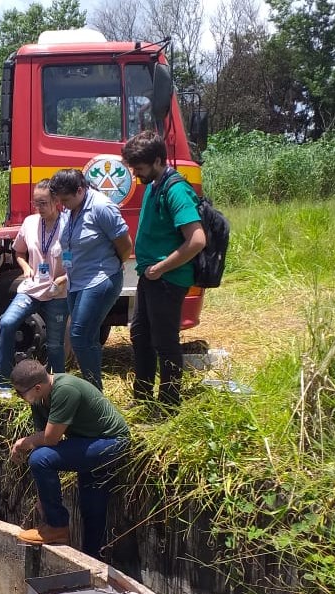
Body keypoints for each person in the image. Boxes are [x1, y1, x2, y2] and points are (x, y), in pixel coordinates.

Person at [9, 359, 130, 559]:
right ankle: (92, 557)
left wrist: (22, 443)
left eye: (20, 393)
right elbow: (43, 437)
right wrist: (44, 500)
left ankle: (57, 527)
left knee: (40, 459)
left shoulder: (65, 390)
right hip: (86, 443)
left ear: (37, 387)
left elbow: (50, 439)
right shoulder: (39, 400)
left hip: (110, 442)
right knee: (91, 504)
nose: (20, 398)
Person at [121, 131, 206, 406]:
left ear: (158, 160)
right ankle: (143, 398)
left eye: (140, 168)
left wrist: (161, 267)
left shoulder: (176, 189)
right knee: (140, 335)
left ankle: (169, 404)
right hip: (151, 276)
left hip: (168, 279)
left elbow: (197, 240)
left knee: (165, 342)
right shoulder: (154, 184)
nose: (136, 174)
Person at [48, 169, 133, 392]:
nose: (62, 205)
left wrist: (115, 263)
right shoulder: (69, 209)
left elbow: (125, 245)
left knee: (79, 336)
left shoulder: (101, 208)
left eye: (65, 199)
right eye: (59, 201)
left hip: (100, 279)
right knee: (88, 337)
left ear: (80, 190)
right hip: (76, 281)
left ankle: (93, 392)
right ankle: (93, 390)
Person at [0, 179, 68, 397]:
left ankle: (59, 388)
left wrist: (63, 279)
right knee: (7, 323)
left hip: (57, 293)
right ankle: (3, 382)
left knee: (55, 345)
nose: (39, 208)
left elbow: (76, 262)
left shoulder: (68, 225)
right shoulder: (29, 222)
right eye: (36, 203)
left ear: (57, 201)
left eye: (43, 203)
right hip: (32, 288)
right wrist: (25, 267)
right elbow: (19, 251)